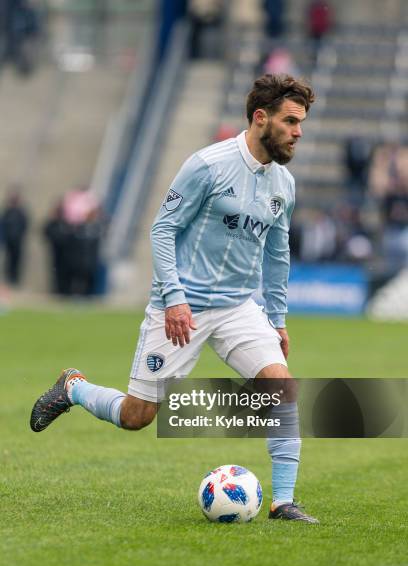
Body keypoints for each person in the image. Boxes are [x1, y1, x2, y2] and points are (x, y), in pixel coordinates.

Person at [30, 74, 319, 524]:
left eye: (301, 122)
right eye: (290, 121)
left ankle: (283, 501)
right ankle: (73, 387)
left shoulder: (284, 184)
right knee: (137, 415)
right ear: (260, 118)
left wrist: (277, 320)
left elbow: (277, 256)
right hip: (183, 306)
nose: (298, 131)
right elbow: (162, 229)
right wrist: (175, 299)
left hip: (240, 307)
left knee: (281, 387)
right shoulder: (207, 165)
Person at [1, 186, 29, 285]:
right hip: (8, 241)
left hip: (17, 241)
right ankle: (8, 280)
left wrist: (19, 236)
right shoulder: (7, 211)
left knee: (16, 261)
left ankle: (14, 281)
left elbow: (25, 225)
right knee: (8, 261)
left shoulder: (21, 212)